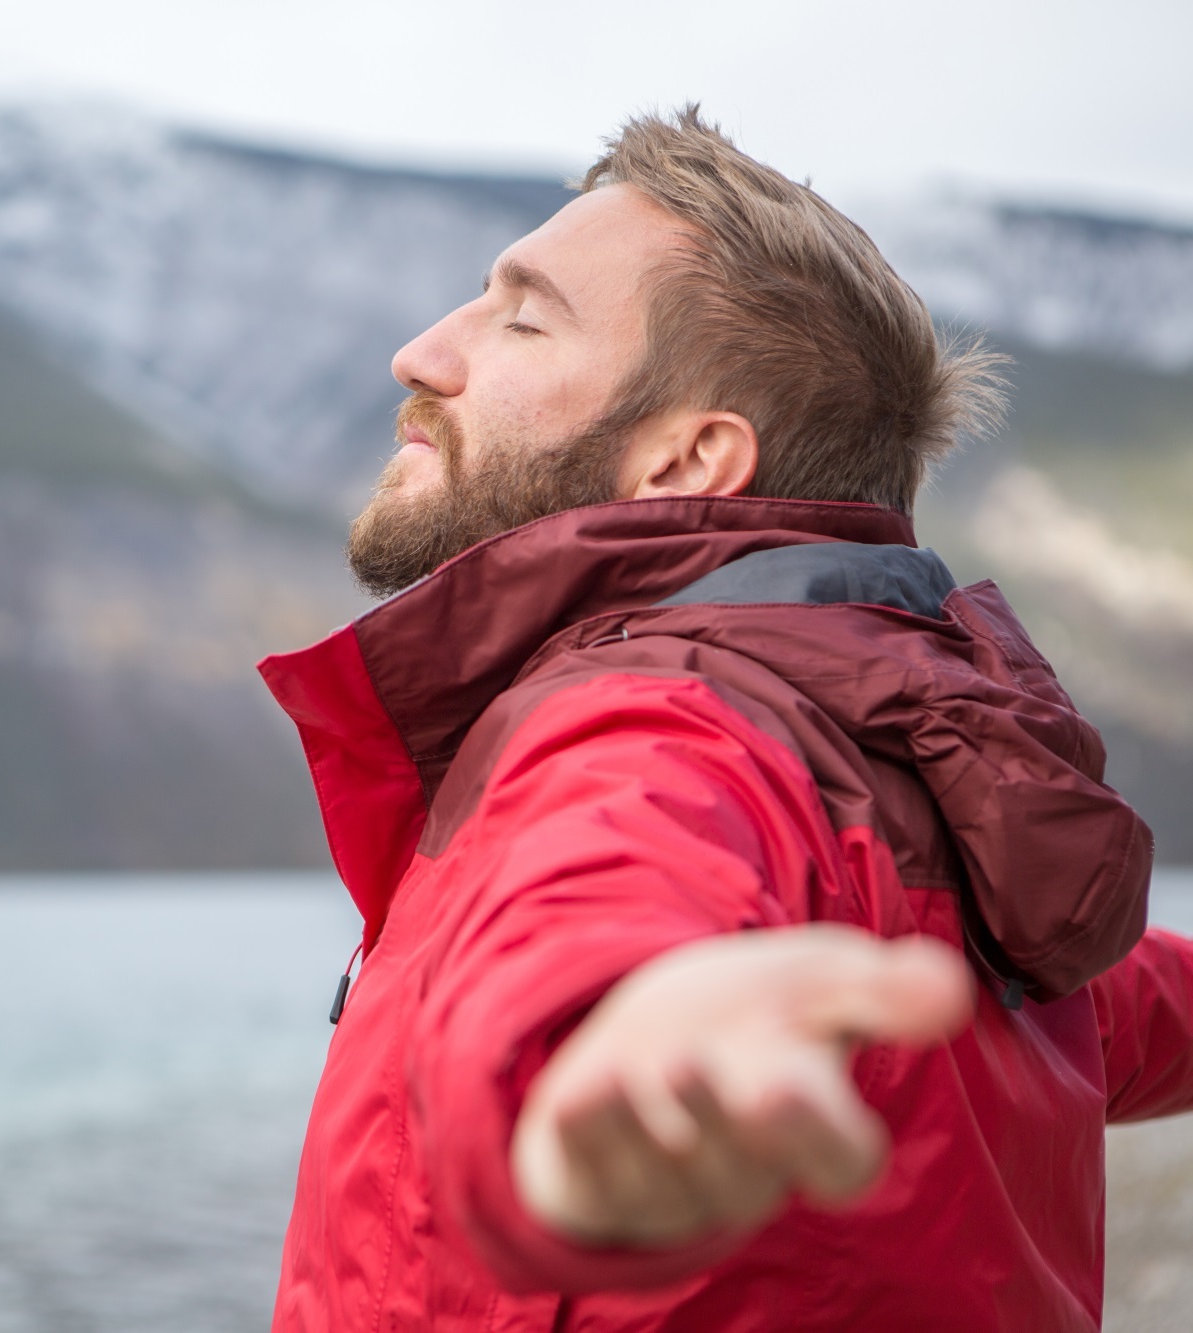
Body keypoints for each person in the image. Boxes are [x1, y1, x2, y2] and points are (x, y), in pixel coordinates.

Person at [257, 107, 1193, 1331]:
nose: (422, 353)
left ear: (688, 461)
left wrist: (607, 1056)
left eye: (521, 317)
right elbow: (1075, 1009)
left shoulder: (648, 722)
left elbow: (605, 901)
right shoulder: (904, 776)